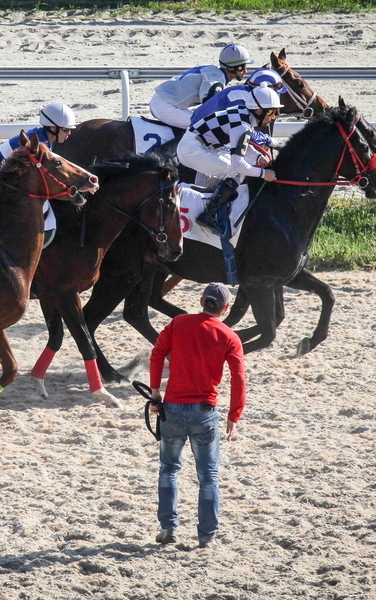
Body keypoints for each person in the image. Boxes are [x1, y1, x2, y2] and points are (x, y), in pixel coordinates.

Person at [149, 283, 247, 548]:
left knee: (169, 469)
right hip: (205, 412)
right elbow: (238, 378)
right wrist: (233, 415)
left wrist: (155, 393)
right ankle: (206, 536)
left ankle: (168, 529)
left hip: (172, 410)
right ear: (226, 308)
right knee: (209, 476)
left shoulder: (179, 323)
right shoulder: (229, 336)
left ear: (202, 301)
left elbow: (157, 354)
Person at [176, 82, 283, 234]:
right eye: (272, 111)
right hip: (193, 150)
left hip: (197, 146)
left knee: (237, 169)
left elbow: (241, 145)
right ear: (259, 110)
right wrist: (264, 174)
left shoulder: (243, 114)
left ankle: (210, 205)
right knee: (236, 171)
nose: (274, 117)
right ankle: (208, 213)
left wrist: (258, 156)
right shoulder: (243, 124)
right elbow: (238, 164)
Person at [149, 43, 254, 130]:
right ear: (231, 68)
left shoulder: (212, 70)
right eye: (242, 67)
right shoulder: (216, 78)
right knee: (202, 126)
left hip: (162, 100)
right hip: (164, 105)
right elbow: (210, 107)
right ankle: (165, 151)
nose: (246, 71)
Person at [188, 68, 288, 148]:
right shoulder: (245, 101)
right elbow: (246, 132)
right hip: (202, 138)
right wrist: (269, 140)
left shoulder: (246, 93)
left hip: (204, 131)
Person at [0, 103, 76, 164]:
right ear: (53, 127)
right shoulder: (39, 141)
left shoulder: (43, 136)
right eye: (66, 130)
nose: (69, 133)